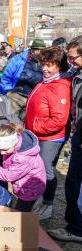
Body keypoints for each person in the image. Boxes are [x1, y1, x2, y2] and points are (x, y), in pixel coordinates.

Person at [25, 46, 71, 220]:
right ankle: (41, 199)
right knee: (38, 169)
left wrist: (35, 127)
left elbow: (59, 120)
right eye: (44, 64)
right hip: (39, 135)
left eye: (50, 65)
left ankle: (48, 204)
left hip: (51, 138)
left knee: (46, 171)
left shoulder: (59, 87)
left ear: (59, 66)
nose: (44, 68)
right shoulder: (47, 81)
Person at [47, 36, 82, 242]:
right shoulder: (76, 72)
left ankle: (76, 229)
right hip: (77, 134)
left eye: (73, 57)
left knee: (76, 184)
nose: (70, 61)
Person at [0, 124, 46, 212]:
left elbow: (9, 175)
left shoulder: (22, 157)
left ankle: (28, 223)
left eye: (5, 150)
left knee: (21, 213)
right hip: (26, 186)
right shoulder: (15, 144)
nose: (2, 153)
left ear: (14, 143)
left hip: (30, 190)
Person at [0, 38, 45, 120]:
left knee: (24, 125)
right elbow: (6, 77)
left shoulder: (44, 61)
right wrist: (8, 92)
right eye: (39, 51)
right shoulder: (18, 59)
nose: (41, 54)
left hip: (32, 99)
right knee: (7, 121)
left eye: (42, 51)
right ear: (33, 50)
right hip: (15, 95)